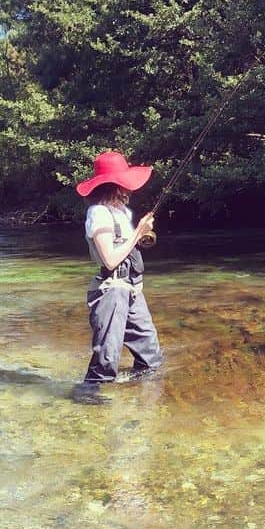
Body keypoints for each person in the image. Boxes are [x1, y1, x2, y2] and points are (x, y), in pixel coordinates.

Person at [71, 151, 164, 404]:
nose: (128, 188)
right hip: (110, 291)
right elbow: (110, 260)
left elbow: (126, 248)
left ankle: (140, 399)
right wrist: (138, 234)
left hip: (132, 289)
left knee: (151, 357)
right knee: (107, 360)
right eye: (124, 182)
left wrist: (140, 234)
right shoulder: (98, 213)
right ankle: (87, 401)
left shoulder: (121, 211)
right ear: (115, 185)